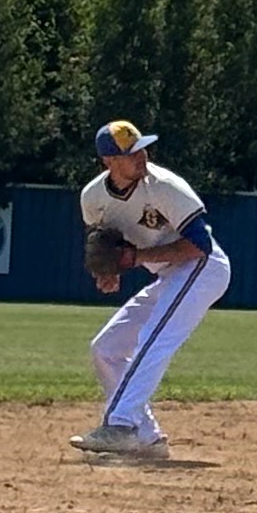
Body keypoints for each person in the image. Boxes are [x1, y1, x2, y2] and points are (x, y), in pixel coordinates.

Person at [69, 120, 231, 458]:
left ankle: (121, 425)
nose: (142, 156)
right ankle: (147, 438)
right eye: (131, 153)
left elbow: (199, 246)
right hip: (170, 275)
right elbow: (101, 242)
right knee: (106, 348)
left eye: (142, 148)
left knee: (153, 338)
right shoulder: (93, 197)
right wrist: (108, 272)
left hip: (203, 268)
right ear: (109, 161)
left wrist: (137, 258)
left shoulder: (164, 186)